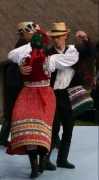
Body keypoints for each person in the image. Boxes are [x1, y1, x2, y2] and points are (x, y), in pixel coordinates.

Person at [6, 29, 79, 178]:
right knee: (44, 132)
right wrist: (71, 48)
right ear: (45, 45)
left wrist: (30, 46)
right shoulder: (50, 59)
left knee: (31, 132)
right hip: (44, 95)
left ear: (30, 46)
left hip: (30, 95)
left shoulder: (24, 59)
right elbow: (71, 59)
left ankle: (37, 167)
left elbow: (11, 55)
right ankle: (40, 165)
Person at [45, 22, 93, 170]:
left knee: (68, 128)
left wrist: (85, 39)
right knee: (51, 129)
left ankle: (62, 160)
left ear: (65, 36)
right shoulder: (48, 54)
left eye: (59, 36)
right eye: (54, 37)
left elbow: (91, 52)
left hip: (68, 93)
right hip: (52, 94)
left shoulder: (74, 52)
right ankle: (45, 161)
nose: (57, 40)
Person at [0, 22, 32, 147]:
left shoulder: (24, 44)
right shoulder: (22, 45)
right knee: (14, 111)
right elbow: (14, 65)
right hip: (17, 83)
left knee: (13, 112)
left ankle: (4, 137)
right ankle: (6, 138)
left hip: (16, 82)